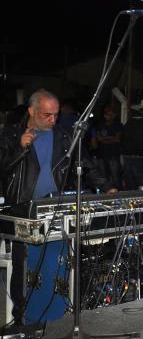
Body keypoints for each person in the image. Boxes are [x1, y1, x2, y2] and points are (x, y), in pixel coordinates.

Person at [0, 89, 117, 327]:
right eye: (47, 115)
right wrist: (20, 148)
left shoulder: (64, 135)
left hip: (56, 208)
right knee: (25, 268)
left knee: (59, 262)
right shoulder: (11, 134)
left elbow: (85, 164)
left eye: (55, 115)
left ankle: (59, 317)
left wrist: (107, 187)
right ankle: (24, 320)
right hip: (24, 210)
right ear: (31, 111)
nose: (53, 120)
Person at [90, 104, 123, 190]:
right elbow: (99, 139)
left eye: (111, 114)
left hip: (113, 155)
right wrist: (111, 138)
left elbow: (118, 139)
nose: (109, 116)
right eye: (107, 114)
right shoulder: (101, 125)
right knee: (104, 177)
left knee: (115, 177)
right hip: (102, 155)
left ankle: (118, 193)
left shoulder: (118, 125)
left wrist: (104, 139)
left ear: (115, 115)